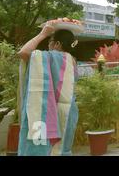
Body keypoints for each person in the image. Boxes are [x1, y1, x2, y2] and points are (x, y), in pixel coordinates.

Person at [17, 22, 79, 155]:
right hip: (67, 113)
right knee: (62, 150)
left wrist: (43, 33)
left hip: (44, 113)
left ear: (57, 44)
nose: (47, 44)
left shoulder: (50, 57)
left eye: (50, 41)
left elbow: (24, 52)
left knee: (42, 150)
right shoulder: (72, 61)